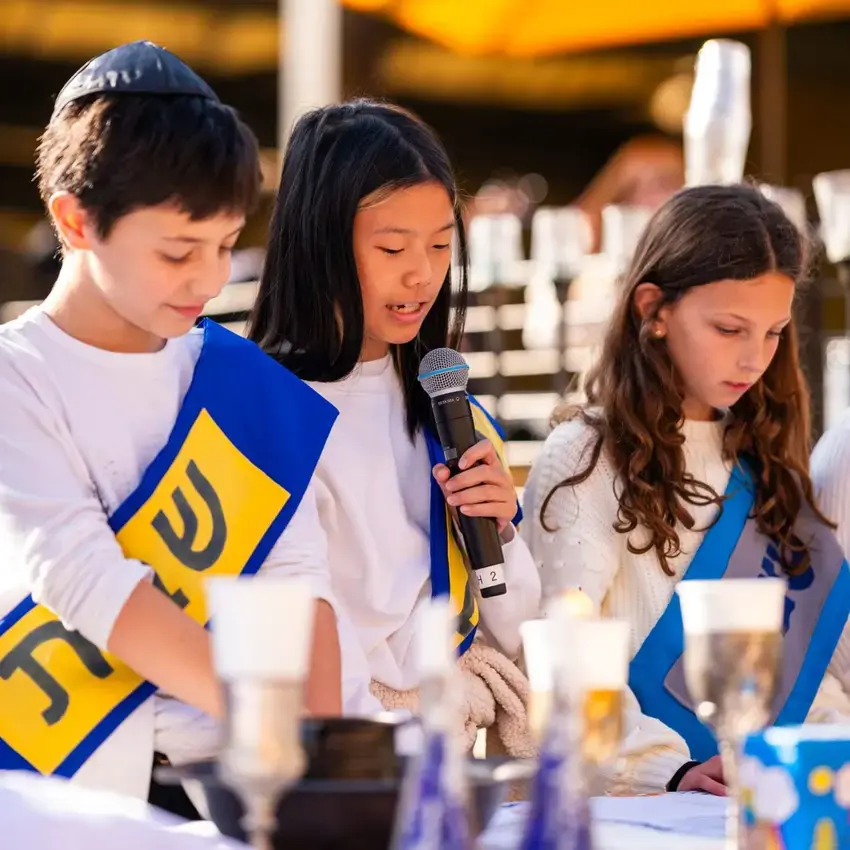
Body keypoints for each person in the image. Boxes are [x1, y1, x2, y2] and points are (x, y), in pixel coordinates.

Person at [0, 41, 342, 801]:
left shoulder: (238, 381)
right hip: (66, 792)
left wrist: (322, 761)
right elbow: (77, 573)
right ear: (76, 219)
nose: (210, 278)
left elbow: (300, 582)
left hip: (240, 786)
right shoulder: (14, 377)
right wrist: (268, 718)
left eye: (225, 245)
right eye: (179, 250)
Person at [522, 184, 850, 796]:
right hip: (644, 805)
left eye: (774, 332)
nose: (755, 358)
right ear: (654, 309)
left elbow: (806, 676)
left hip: (772, 796)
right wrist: (666, 769)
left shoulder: (767, 461)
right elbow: (561, 653)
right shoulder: (587, 455)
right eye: (730, 328)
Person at [248, 100, 542, 735]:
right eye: (391, 247)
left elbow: (514, 625)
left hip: (447, 743)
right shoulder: (255, 408)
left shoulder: (451, 412)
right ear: (319, 241)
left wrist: (500, 529)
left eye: (441, 246)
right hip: (331, 742)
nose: (422, 274)